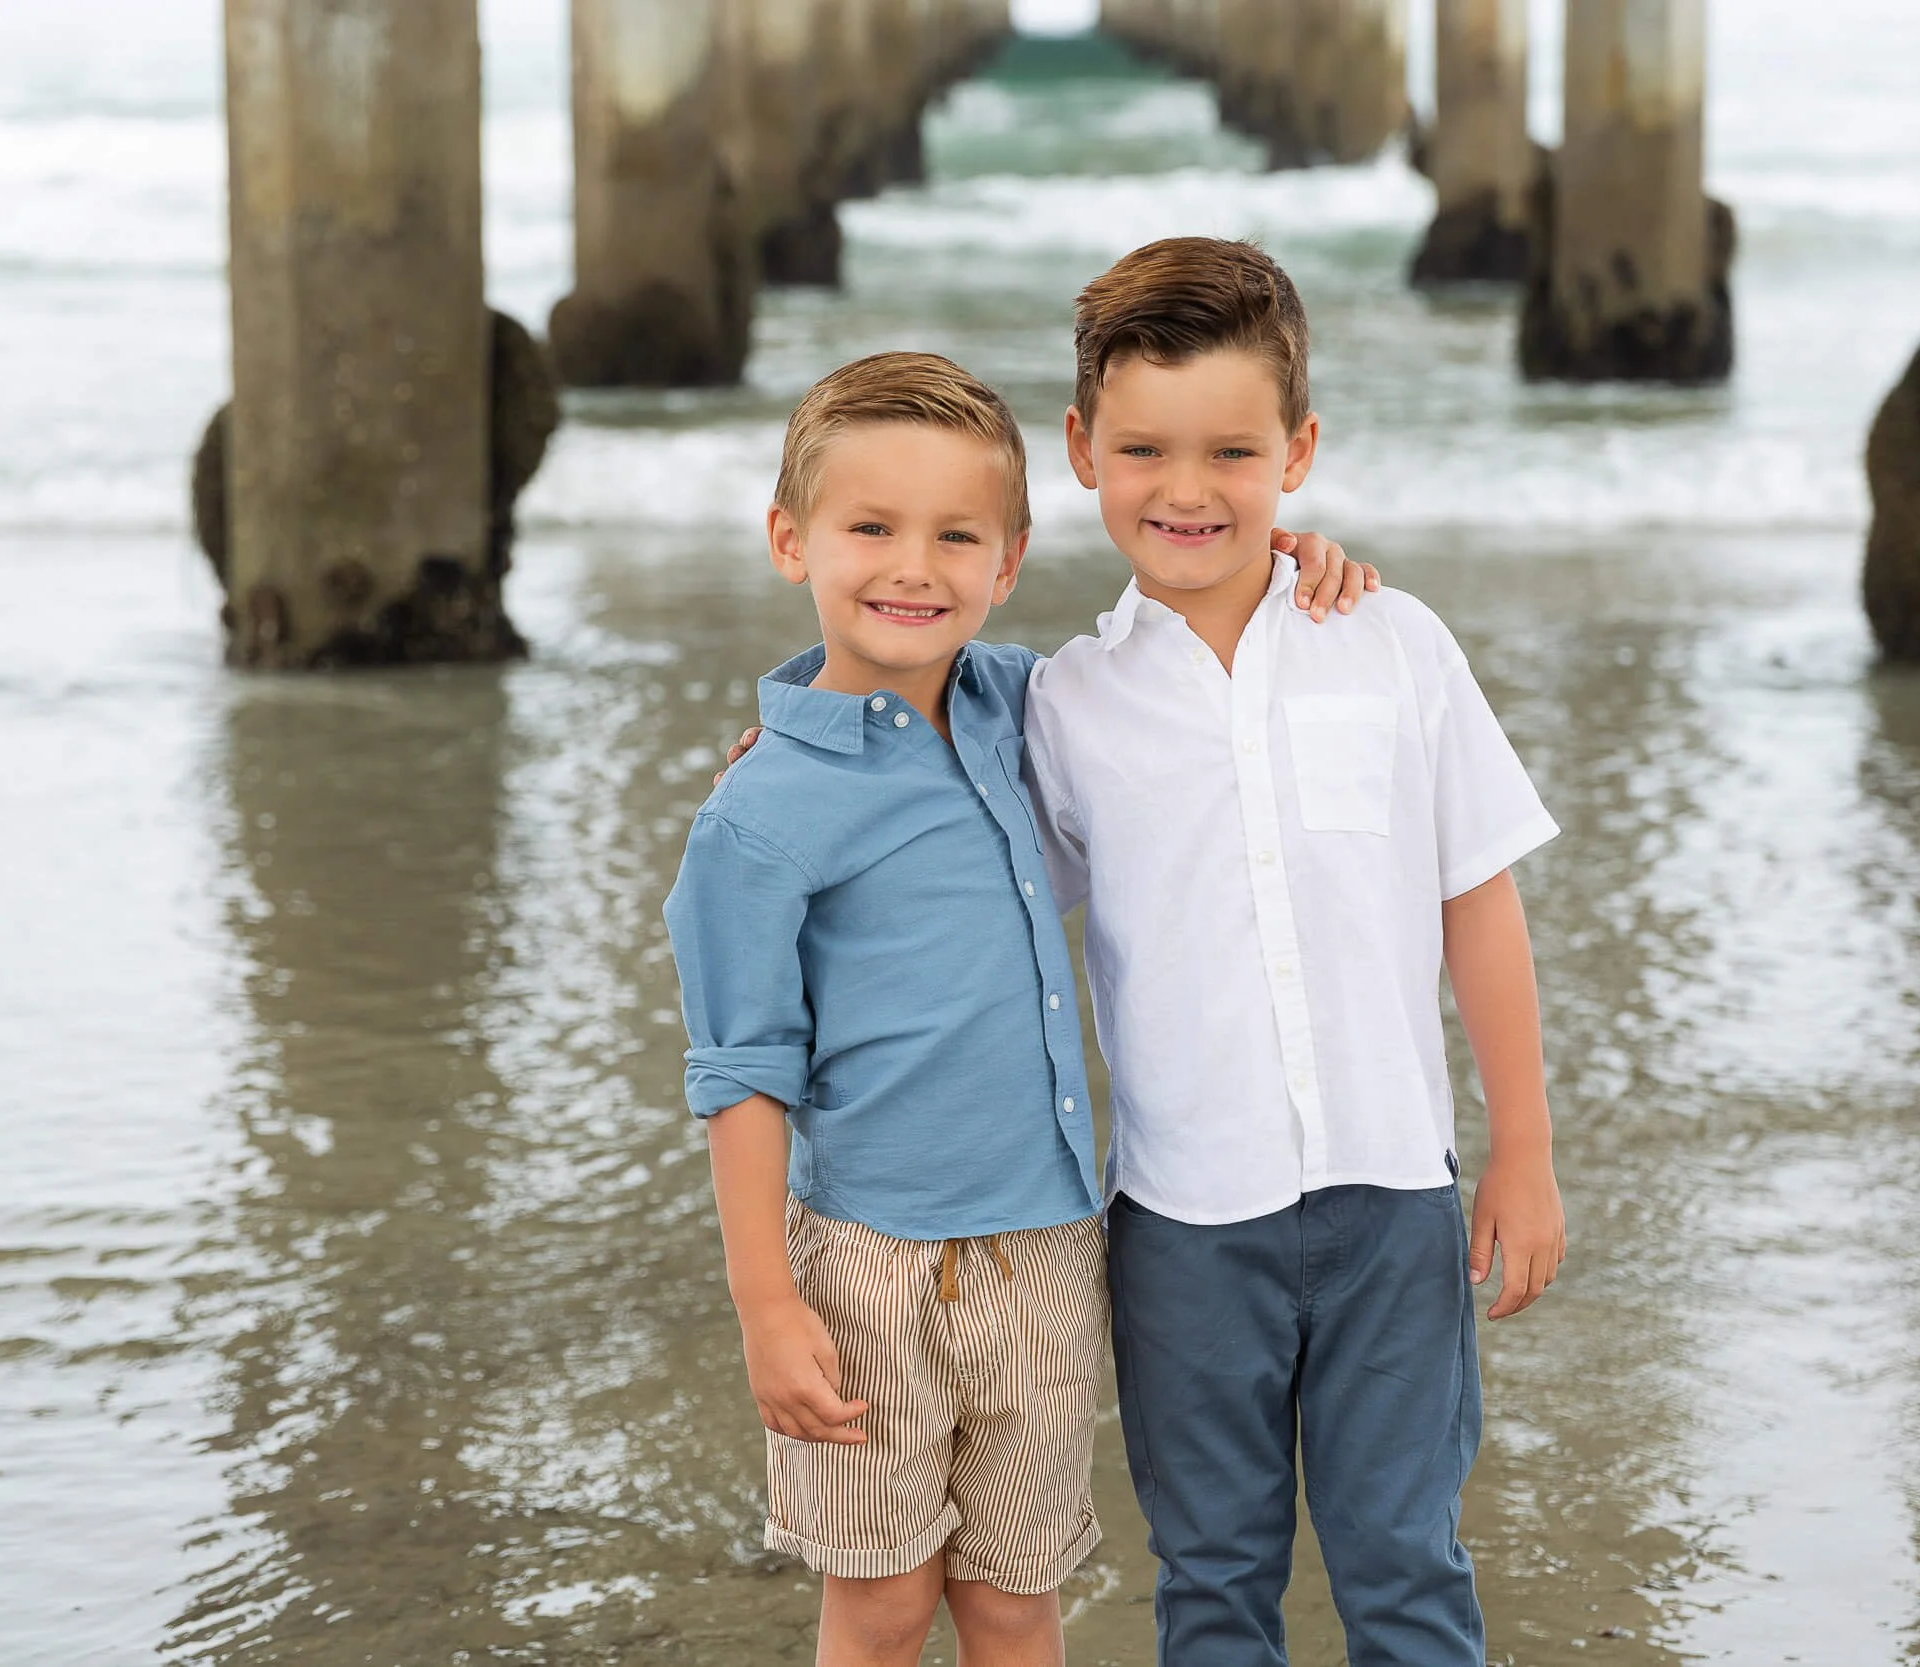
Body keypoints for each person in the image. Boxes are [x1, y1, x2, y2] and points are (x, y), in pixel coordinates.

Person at [664, 350, 1372, 1667]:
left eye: (956, 536)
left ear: (1010, 558)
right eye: (868, 529)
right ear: (788, 540)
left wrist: (1293, 560)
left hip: (1046, 1246)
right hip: (869, 1260)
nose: (912, 568)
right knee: (879, 1602)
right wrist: (767, 1300)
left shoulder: (1020, 706)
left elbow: (1175, 667)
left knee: (1014, 1599)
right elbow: (741, 1068)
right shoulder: (759, 816)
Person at [1023, 236, 1567, 1666]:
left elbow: (1477, 900)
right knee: (1211, 1582)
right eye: (1143, 448)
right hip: (1183, 1226)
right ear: (1081, 450)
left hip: (1395, 1202)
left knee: (1406, 1567)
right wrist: (803, 748)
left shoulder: (1391, 643)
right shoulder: (1066, 705)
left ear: (1298, 450)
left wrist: (1524, 1148)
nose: (1187, 489)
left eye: (1232, 450)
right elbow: (964, 886)